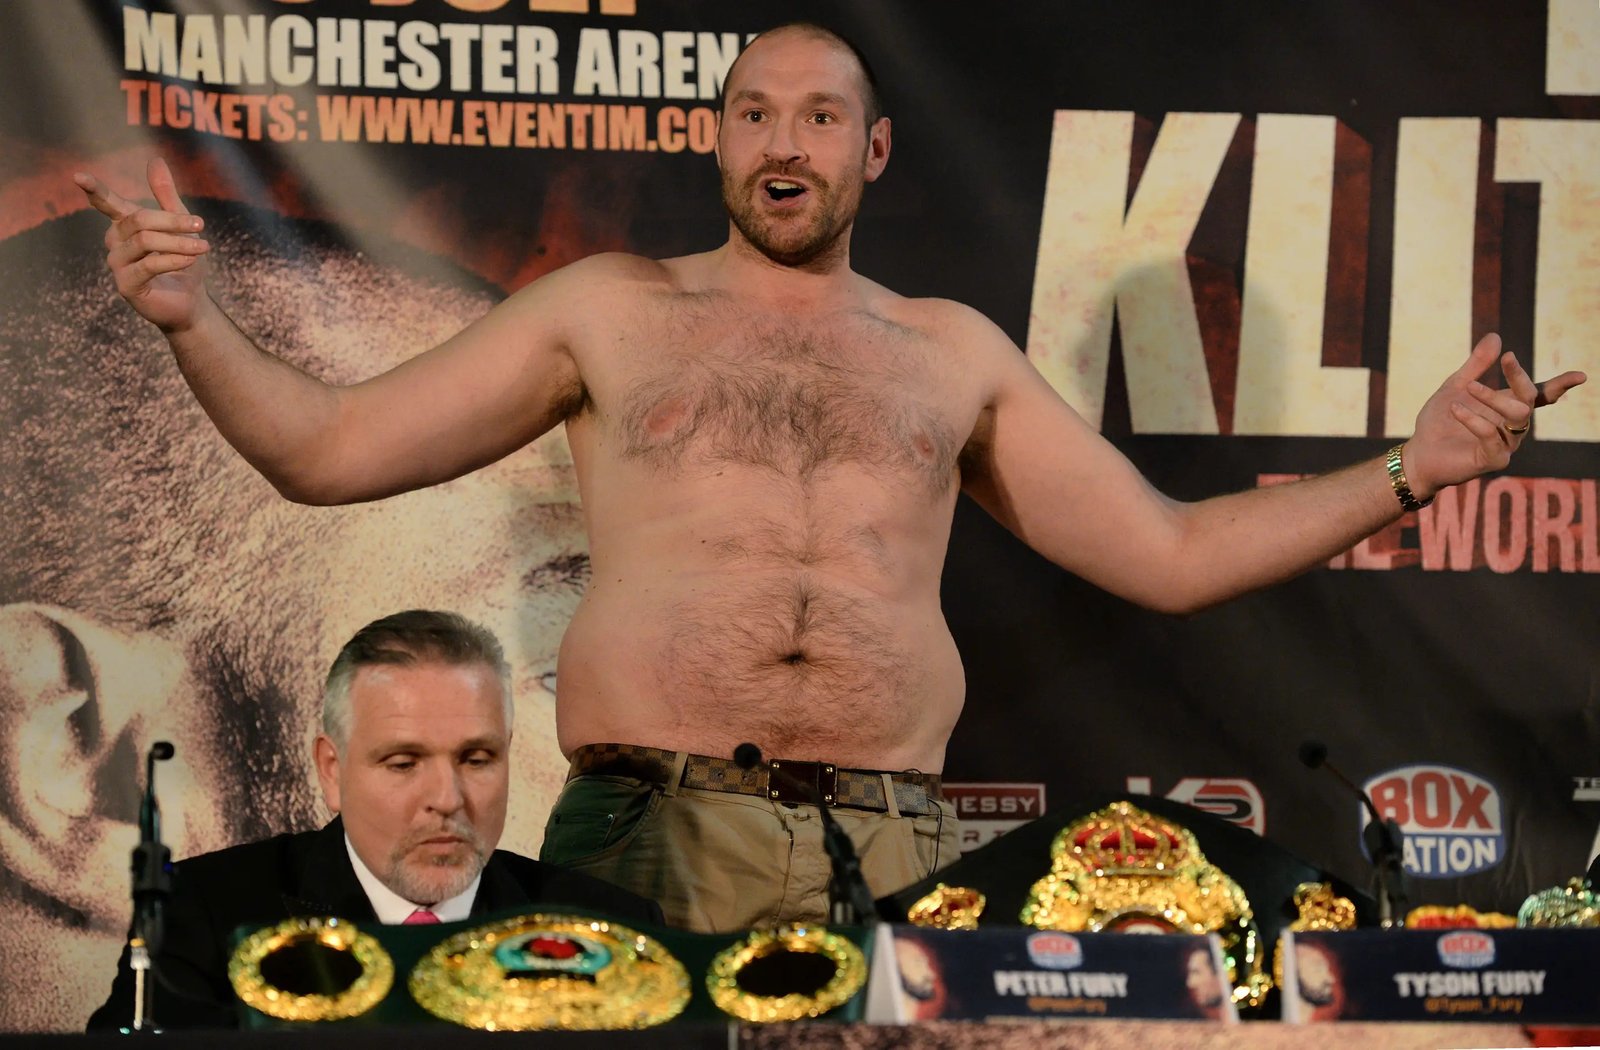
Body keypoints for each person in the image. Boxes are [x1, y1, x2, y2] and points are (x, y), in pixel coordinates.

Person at [76, 22, 1587, 933]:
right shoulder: (610, 309)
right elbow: (325, 452)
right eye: (753, 114)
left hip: (902, 848)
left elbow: (1171, 553)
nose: (781, 142)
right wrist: (194, 316)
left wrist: (1414, 465)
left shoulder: (953, 354)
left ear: (874, 151)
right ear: (715, 143)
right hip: (652, 834)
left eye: (817, 118)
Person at [0, 200, 586, 1030]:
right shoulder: (202, 920)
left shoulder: (607, 929)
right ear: (83, 759)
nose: (617, 744)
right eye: (555, 661)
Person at [85, 610, 659, 1030]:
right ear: (332, 771)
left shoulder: (611, 930)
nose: (447, 798)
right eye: (404, 763)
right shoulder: (204, 916)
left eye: (476, 759)